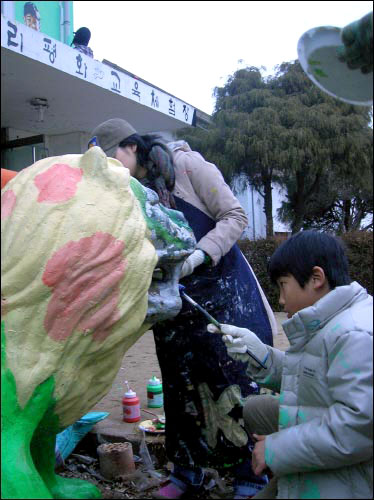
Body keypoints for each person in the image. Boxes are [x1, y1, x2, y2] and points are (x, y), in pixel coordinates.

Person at [88, 118, 277, 499]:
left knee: (234, 381)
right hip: (176, 302)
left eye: (111, 158)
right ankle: (186, 474)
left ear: (132, 146)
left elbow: (235, 216)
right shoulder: (127, 192)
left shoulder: (187, 166)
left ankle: (250, 476)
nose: (108, 168)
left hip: (225, 292)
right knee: (179, 385)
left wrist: (199, 256)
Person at [209, 230, 373, 499]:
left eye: (283, 285)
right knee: (255, 408)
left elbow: (359, 427)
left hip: (356, 478)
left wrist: (276, 449)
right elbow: (311, 376)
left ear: (316, 279)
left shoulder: (354, 334)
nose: (281, 300)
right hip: (332, 446)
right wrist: (260, 354)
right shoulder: (333, 321)